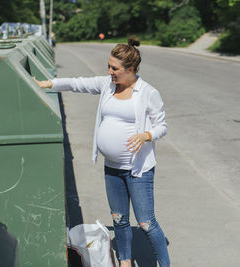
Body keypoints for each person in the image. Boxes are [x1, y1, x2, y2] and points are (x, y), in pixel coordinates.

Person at [34, 38, 170, 267]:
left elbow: (162, 126)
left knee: (146, 223)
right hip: (112, 168)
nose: (109, 71)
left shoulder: (147, 92)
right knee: (119, 219)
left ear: (130, 70)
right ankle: (125, 262)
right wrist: (48, 84)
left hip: (137, 170)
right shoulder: (107, 84)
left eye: (114, 68)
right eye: (108, 66)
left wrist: (146, 135)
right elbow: (78, 83)